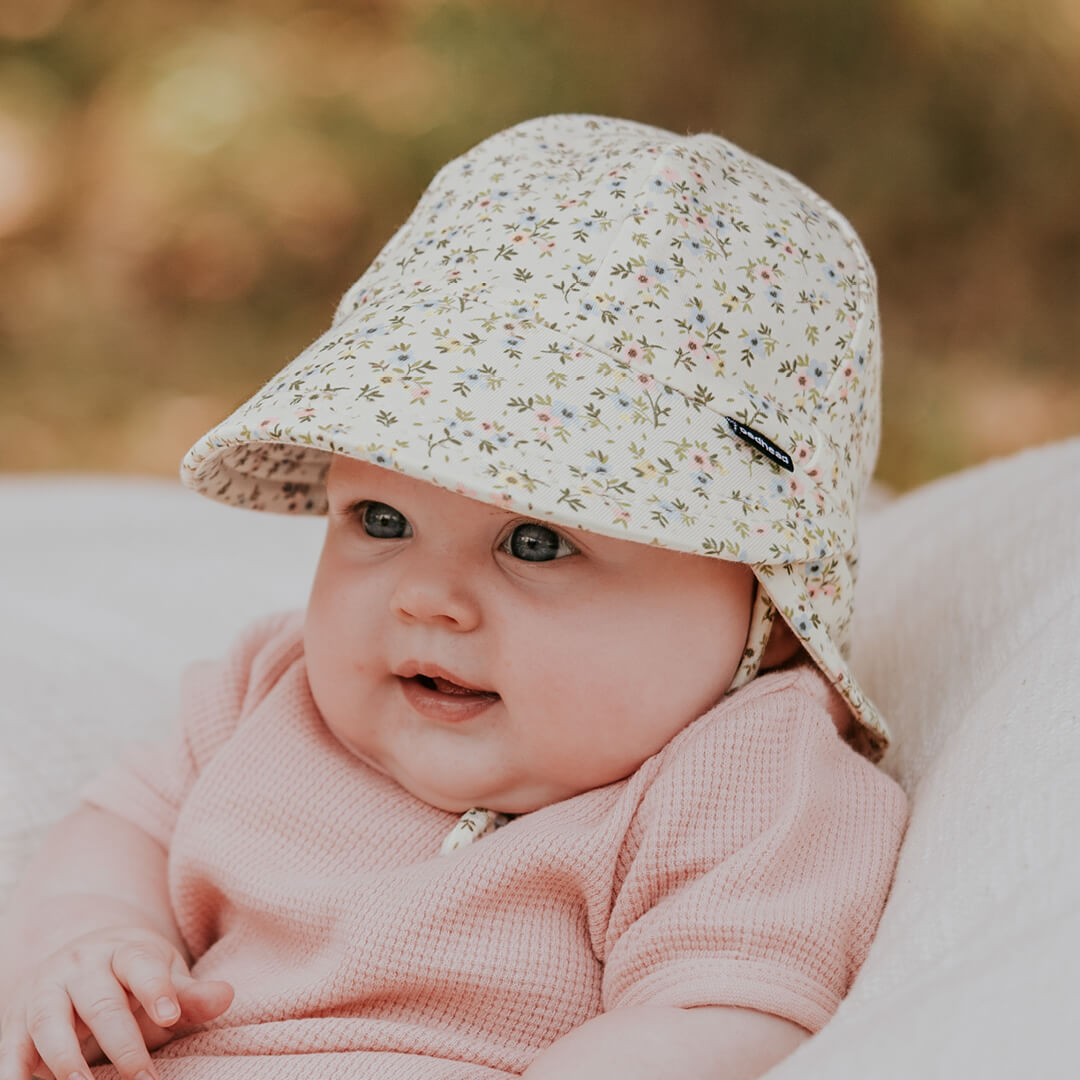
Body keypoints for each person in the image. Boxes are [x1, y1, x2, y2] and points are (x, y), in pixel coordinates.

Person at [0, 115, 908, 1080]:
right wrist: (90, 938)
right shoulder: (271, 690)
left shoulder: (740, 775)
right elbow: (122, 827)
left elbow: (722, 1016)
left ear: (767, 621)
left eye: (536, 541)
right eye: (382, 520)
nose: (428, 600)